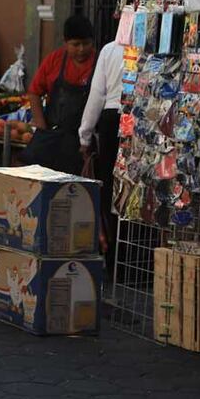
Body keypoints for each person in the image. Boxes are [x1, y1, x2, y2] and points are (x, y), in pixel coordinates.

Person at [24, 16, 97, 175]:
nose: (81, 49)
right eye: (75, 44)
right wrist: (41, 127)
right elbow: (34, 93)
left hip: (82, 143)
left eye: (86, 43)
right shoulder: (54, 60)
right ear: (65, 43)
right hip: (52, 137)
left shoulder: (100, 62)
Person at [79, 38, 123, 271]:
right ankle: (136, 259)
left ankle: (115, 261)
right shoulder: (156, 47)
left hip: (113, 122)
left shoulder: (110, 49)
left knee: (113, 190)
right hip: (140, 119)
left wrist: (84, 136)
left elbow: (96, 95)